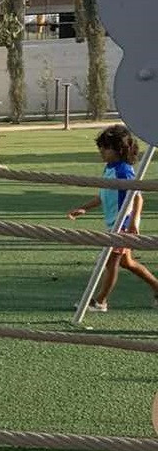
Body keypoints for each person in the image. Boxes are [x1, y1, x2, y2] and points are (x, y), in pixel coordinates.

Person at [67, 123, 158, 312]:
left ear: (118, 149)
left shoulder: (123, 171)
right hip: (114, 223)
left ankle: (100, 301)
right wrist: (84, 208)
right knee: (127, 262)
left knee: (110, 262)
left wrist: (133, 223)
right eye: (101, 146)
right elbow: (103, 195)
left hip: (122, 224)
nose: (101, 151)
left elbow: (138, 197)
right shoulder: (109, 168)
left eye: (105, 147)